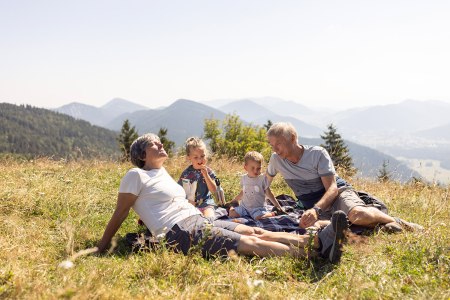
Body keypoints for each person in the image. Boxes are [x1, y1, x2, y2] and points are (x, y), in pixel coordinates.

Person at [97, 133, 350, 263]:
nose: (161, 145)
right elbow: (120, 213)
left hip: (198, 219)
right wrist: (102, 245)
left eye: (160, 142)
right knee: (249, 243)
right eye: (155, 144)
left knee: (256, 232)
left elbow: (165, 200)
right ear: (142, 154)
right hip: (180, 231)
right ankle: (316, 255)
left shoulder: (162, 173)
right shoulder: (135, 175)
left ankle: (317, 241)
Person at [265, 122, 423, 232]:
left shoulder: (317, 154)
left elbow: (332, 189)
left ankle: (399, 222)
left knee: (359, 215)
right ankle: (379, 226)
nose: (275, 149)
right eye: (272, 145)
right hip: (315, 208)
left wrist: (316, 210)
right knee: (317, 229)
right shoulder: (276, 160)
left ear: (292, 138)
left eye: (278, 144)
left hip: (337, 194)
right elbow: (263, 184)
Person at [229, 151, 284, 220]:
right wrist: (235, 200)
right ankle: (233, 206)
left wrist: (277, 206)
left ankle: (274, 213)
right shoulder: (244, 178)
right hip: (244, 207)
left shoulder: (262, 179)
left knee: (260, 218)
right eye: (253, 168)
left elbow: (269, 193)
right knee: (231, 213)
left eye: (258, 168)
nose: (256, 171)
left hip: (257, 209)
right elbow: (243, 191)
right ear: (245, 168)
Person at [178, 137, 217, 218]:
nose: (200, 160)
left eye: (202, 156)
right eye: (196, 157)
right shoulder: (186, 174)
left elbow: (214, 190)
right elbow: (179, 192)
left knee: (209, 219)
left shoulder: (209, 172)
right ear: (189, 157)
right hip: (190, 205)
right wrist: (187, 201)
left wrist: (206, 175)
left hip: (206, 204)